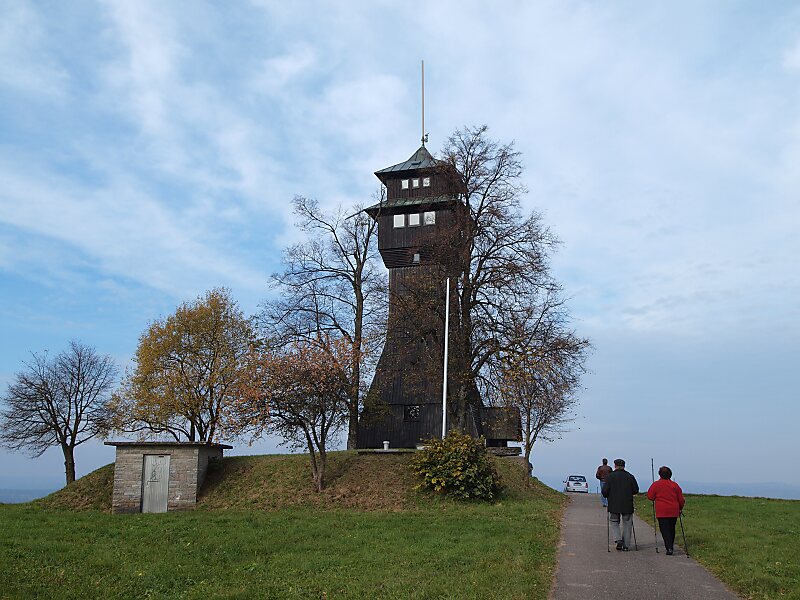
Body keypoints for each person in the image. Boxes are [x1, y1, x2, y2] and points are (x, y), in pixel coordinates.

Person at [646, 466, 685, 555]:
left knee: (665, 529)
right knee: (672, 529)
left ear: (660, 474)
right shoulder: (675, 485)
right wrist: (680, 508)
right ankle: (670, 546)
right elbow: (681, 499)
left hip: (662, 511)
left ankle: (669, 548)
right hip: (674, 510)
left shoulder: (656, 484)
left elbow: (650, 497)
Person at [602, 458, 639, 551]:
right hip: (627, 504)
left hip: (614, 504)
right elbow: (636, 490)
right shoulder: (630, 476)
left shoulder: (610, 477)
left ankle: (618, 540)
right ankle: (626, 545)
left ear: (615, 466)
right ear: (624, 466)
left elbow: (605, 492)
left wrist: (608, 496)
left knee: (614, 521)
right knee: (627, 523)